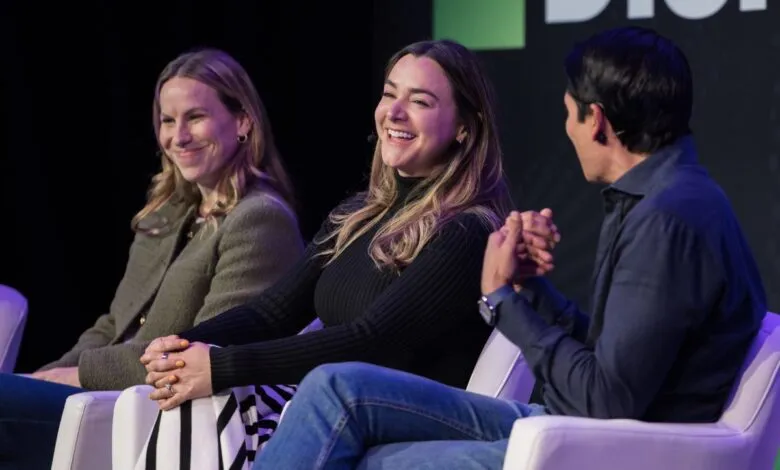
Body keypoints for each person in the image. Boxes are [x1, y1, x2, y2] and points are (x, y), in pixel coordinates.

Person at [251, 26, 767, 470]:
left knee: (362, 453)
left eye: (569, 114)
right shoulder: (658, 196)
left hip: (623, 445)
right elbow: (616, 362)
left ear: (598, 121)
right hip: (588, 423)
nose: (567, 130)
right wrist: (531, 289)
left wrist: (503, 301)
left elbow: (607, 401)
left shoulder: (667, 218)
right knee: (335, 390)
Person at [138, 39, 538, 467]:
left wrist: (220, 366)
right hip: (329, 404)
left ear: (464, 126)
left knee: (224, 390)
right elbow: (274, 312)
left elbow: (374, 341)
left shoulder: (467, 229)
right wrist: (183, 345)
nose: (394, 112)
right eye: (389, 93)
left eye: (419, 101)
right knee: (189, 398)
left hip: (399, 415)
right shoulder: (357, 214)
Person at [0, 48, 304, 470]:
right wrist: (45, 375)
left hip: (152, 411)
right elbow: (113, 324)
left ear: (242, 122)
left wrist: (78, 375)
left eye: (194, 117)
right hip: (96, 398)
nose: (177, 136)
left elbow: (206, 350)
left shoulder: (261, 220)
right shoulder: (164, 215)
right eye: (167, 120)